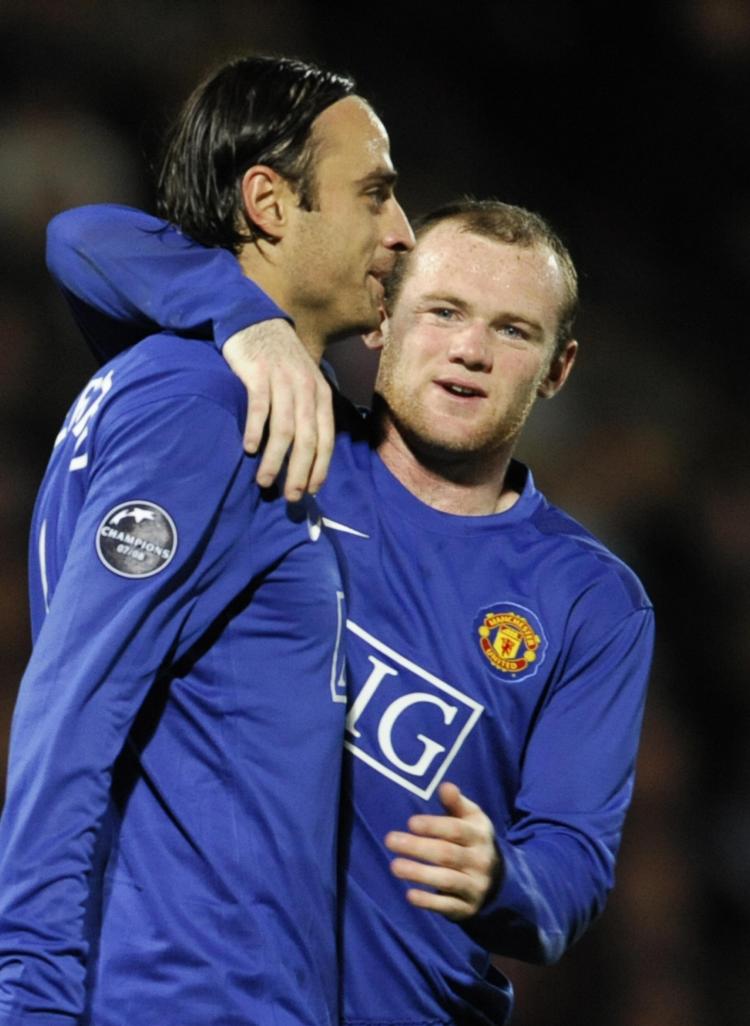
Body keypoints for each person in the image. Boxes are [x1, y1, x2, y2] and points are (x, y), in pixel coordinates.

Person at [42, 196, 654, 1025]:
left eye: (513, 330)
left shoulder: (591, 602)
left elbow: (573, 861)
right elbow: (82, 241)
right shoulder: (276, 432)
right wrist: (247, 322)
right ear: (382, 319)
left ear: (557, 368)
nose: (470, 350)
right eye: (444, 311)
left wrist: (504, 879)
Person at [0, 55, 414, 1026]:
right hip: (187, 994)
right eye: (374, 194)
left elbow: (81, 238)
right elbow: (71, 706)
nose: (402, 230)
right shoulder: (208, 409)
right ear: (268, 203)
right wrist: (31, 994)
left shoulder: (205, 385)